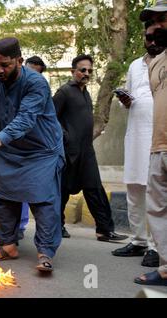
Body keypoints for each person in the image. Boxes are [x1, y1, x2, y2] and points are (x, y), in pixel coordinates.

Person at [0, 37, 64, 272]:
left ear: (19, 60)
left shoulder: (36, 83)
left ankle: (45, 252)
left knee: (43, 201)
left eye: (5, 65)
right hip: (10, 151)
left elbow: (26, 118)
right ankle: (8, 245)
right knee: (3, 198)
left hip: (42, 152)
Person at [52, 54, 128, 242]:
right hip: (68, 152)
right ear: (73, 71)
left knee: (94, 189)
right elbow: (50, 118)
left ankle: (104, 230)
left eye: (90, 71)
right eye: (82, 70)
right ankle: (56, 226)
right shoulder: (64, 92)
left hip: (86, 152)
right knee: (61, 191)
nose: (86, 73)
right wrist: (66, 137)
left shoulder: (85, 93)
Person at [112, 20, 164, 267]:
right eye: (147, 37)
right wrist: (126, 100)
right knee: (134, 189)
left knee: (155, 193)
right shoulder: (134, 66)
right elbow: (132, 99)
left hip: (158, 137)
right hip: (135, 136)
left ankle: (156, 247)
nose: (151, 42)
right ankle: (139, 240)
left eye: (156, 37)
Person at [135, 1, 167, 286]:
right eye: (153, 21)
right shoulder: (154, 63)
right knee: (157, 208)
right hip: (159, 145)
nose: (157, 25)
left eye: (164, 18)